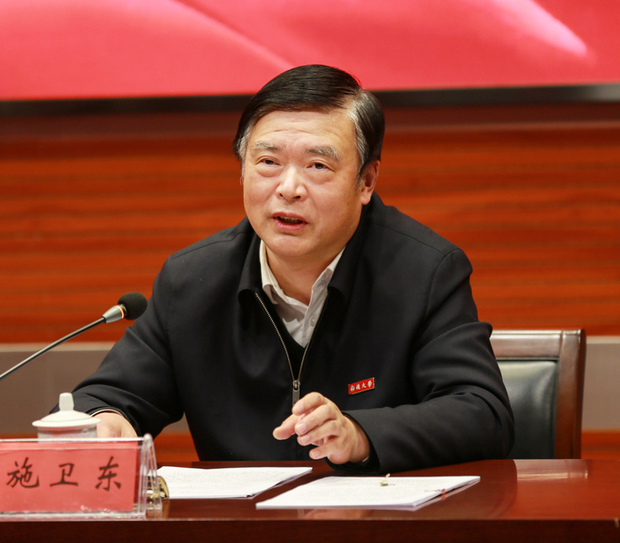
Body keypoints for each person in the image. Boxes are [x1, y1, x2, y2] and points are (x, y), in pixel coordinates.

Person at [70, 64, 514, 474]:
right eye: (268, 162)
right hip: (242, 521)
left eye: (317, 165)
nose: (288, 188)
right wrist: (105, 421)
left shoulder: (424, 272)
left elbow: (482, 414)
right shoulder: (193, 280)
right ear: (242, 171)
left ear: (366, 182)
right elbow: (106, 398)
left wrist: (360, 434)